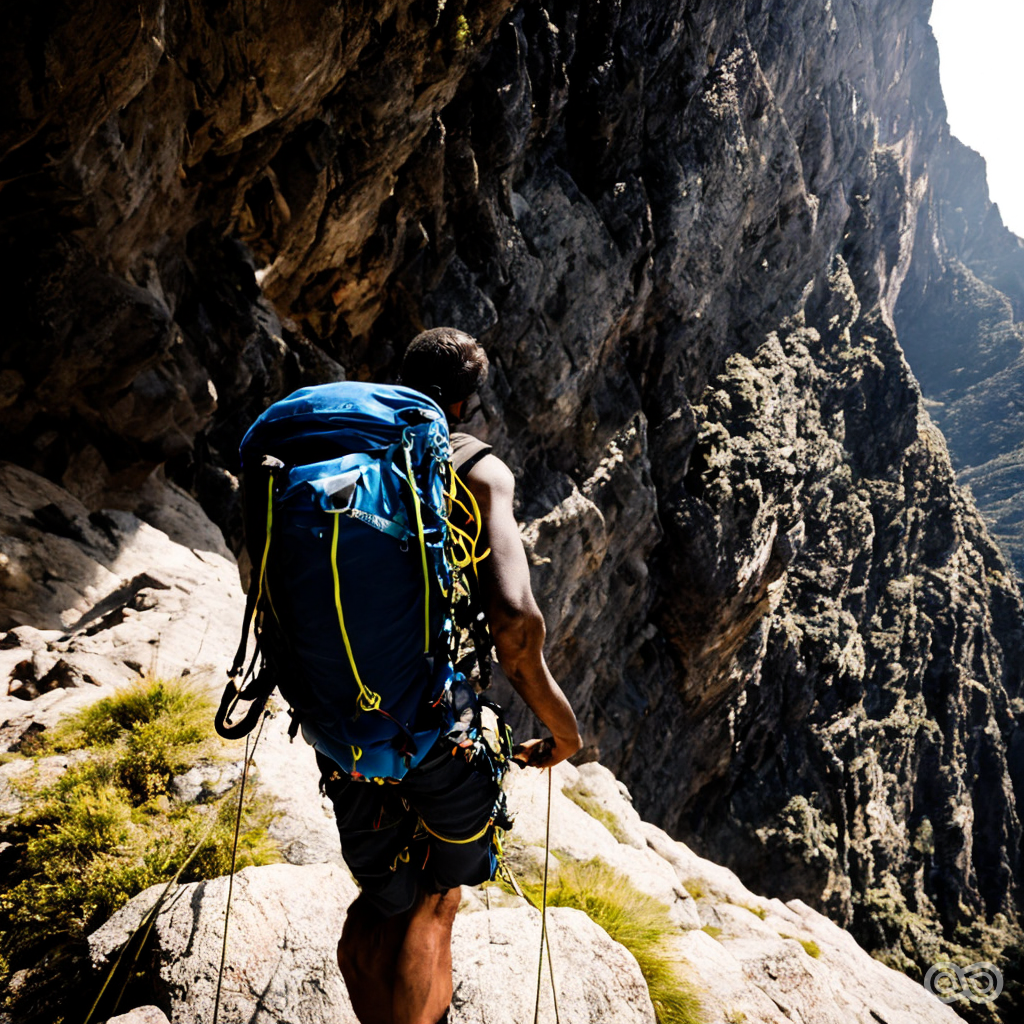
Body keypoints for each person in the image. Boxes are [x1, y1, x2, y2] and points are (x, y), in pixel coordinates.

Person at [321, 326, 582, 1024]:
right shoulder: (477, 470)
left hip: (343, 722)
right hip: (437, 730)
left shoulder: (340, 456)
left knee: (383, 894)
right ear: (464, 406)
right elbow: (515, 626)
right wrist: (563, 731)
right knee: (438, 898)